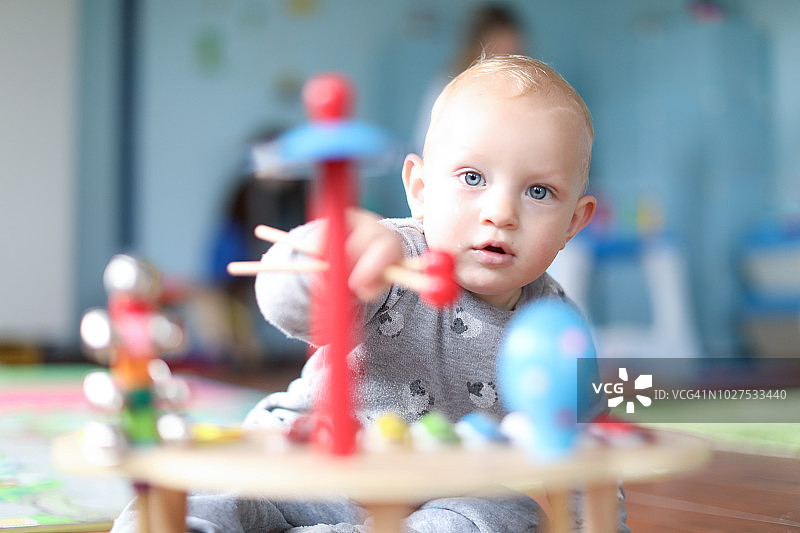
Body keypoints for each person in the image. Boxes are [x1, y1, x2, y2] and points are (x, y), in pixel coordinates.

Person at [111, 55, 629, 532]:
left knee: (508, 515)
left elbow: (580, 449)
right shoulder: (389, 254)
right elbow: (289, 305)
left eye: (538, 192)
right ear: (421, 192)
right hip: (307, 460)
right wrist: (325, 257)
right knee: (210, 496)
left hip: (430, 501)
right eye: (472, 177)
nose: (501, 213)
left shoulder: (554, 323)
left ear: (574, 222)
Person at [412, 3, 527, 154]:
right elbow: (424, 143)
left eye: (513, 52)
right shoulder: (450, 86)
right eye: (499, 49)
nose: (506, 60)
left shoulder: (521, 90)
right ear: (477, 47)